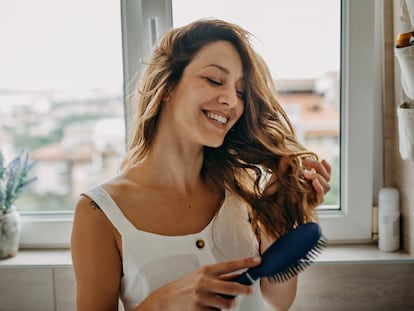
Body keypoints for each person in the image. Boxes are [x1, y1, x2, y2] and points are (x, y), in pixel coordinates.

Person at [71, 19, 331, 311]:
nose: (231, 100)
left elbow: (274, 301)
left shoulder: (243, 192)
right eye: (214, 80)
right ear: (167, 85)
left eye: (241, 92)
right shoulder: (101, 212)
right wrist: (161, 305)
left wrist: (279, 221)